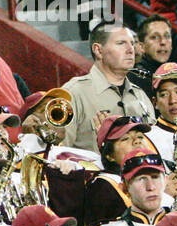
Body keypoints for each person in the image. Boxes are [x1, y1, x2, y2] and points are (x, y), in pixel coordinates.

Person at [60, 21, 155, 151]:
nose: (130, 50)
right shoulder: (74, 93)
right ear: (98, 50)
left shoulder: (140, 96)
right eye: (121, 43)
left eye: (132, 43)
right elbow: (59, 152)